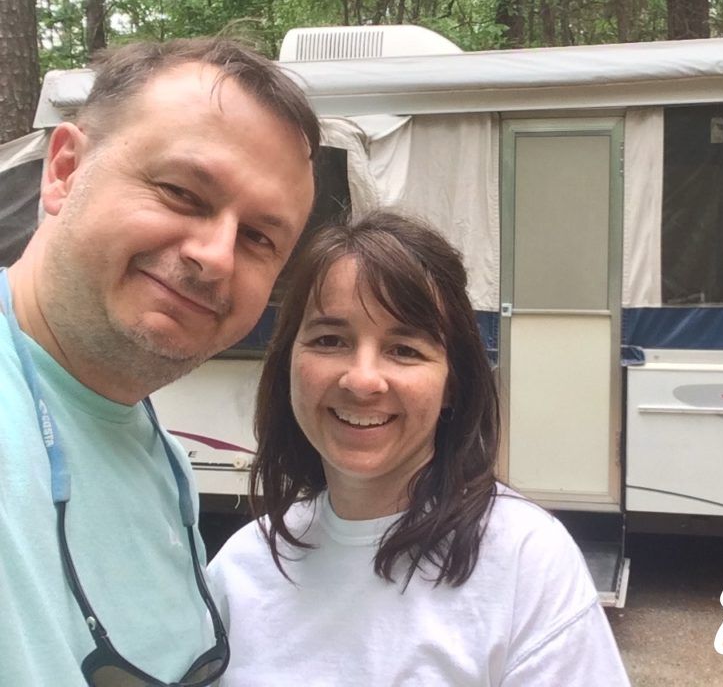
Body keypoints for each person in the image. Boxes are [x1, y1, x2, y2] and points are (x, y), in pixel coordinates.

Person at [0, 38, 320, 686]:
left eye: (259, 237)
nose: (217, 257)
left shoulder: (163, 463)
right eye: (181, 192)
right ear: (63, 170)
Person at [208, 211, 631, 685]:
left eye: (404, 349)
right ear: (288, 363)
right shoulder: (243, 566)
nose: (363, 380)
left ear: (452, 384)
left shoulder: (524, 562)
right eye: (330, 340)